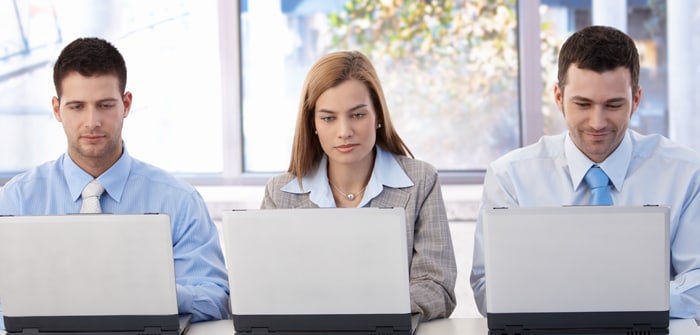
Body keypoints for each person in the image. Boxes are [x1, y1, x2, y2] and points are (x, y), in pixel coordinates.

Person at [470, 25, 700, 320]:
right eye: (582, 104)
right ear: (558, 97)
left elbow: (697, 282)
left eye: (614, 105)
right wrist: (611, 297)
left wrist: (607, 300)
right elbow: (488, 288)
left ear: (637, 99)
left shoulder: (684, 173)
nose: (597, 122)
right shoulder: (510, 178)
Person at [0, 37, 230, 328]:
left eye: (105, 105)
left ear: (126, 104)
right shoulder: (17, 200)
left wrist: (152, 294)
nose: (92, 121)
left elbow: (215, 297)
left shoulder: (179, 200)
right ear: (57, 109)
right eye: (77, 107)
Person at [261, 50, 457, 321]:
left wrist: (361, 308)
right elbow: (257, 289)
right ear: (313, 124)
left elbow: (437, 287)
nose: (344, 131)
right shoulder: (280, 193)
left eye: (357, 115)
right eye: (328, 118)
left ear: (377, 115)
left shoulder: (421, 181)